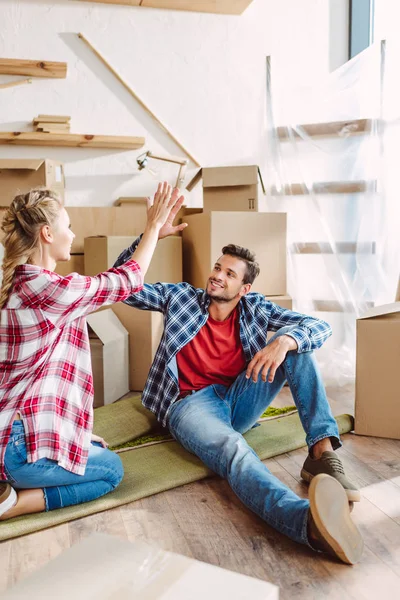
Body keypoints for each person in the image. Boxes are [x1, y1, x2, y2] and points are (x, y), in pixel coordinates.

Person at [112, 240, 364, 564]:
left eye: (229, 274)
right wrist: (150, 234)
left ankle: (321, 454)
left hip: (238, 397)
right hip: (190, 405)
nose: (218, 276)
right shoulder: (181, 298)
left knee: (295, 343)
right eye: (218, 268)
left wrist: (285, 341)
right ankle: (308, 523)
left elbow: (320, 326)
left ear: (244, 289)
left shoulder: (255, 307)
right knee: (234, 452)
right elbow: (121, 285)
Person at [0, 182, 184, 520]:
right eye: (67, 226)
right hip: (18, 449)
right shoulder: (51, 291)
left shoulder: (22, 285)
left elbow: (116, 278)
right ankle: (9, 505)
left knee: (93, 450)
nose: (73, 234)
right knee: (112, 470)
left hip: (11, 434)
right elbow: (126, 280)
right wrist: (153, 227)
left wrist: (73, 434)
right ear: (47, 234)